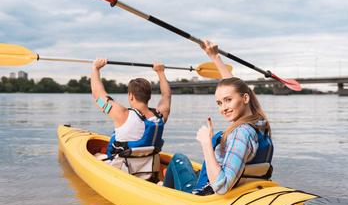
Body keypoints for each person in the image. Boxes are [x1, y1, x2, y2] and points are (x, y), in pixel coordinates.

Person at [163, 40, 273, 195]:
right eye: (219, 103)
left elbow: (221, 186)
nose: (223, 108)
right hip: (242, 191)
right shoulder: (258, 124)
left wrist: (207, 143)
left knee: (178, 160)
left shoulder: (241, 134)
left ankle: (164, 199)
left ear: (246, 99)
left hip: (204, 197)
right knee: (193, 171)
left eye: (228, 100)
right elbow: (236, 88)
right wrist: (214, 56)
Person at [90, 58, 171, 160]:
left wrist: (96, 68)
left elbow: (96, 93)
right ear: (149, 97)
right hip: (147, 169)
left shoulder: (121, 114)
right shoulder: (160, 116)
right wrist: (160, 72)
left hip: (122, 168)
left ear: (131, 96)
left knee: (96, 155)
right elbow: (166, 96)